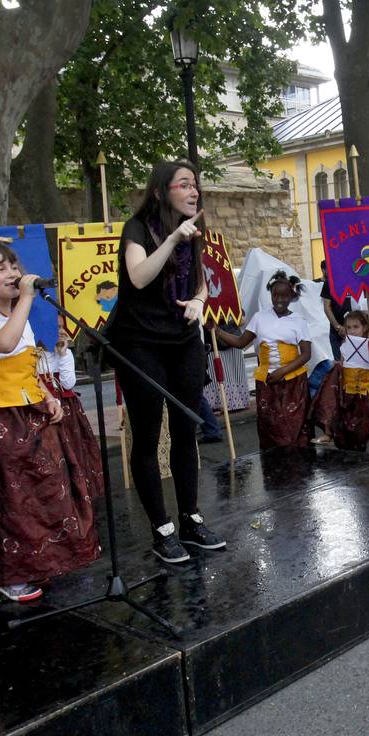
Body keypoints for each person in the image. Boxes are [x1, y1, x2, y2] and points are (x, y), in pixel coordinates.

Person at [0, 239, 98, 601]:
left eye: (13, 266)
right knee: (9, 493)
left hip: (30, 409)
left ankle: (40, 560)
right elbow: (4, 345)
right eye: (0, 268)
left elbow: (28, 365)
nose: (12, 273)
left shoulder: (16, 314)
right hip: (0, 415)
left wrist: (48, 396)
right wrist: (26, 299)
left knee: (41, 488)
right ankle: (9, 572)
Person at [106, 160, 226, 562]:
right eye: (184, 185)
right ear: (160, 191)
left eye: (196, 185)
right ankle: (162, 529)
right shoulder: (137, 228)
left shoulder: (193, 232)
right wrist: (174, 237)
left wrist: (197, 300)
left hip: (182, 341)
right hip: (139, 342)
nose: (194, 192)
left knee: (186, 427)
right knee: (147, 433)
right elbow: (138, 276)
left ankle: (191, 519)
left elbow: (203, 281)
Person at [216, 271, 312, 451]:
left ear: (291, 296)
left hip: (293, 382)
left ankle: (296, 466)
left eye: (284, 295)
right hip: (267, 382)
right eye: (276, 295)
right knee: (270, 425)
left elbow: (306, 354)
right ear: (270, 294)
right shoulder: (259, 318)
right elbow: (240, 342)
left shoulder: (299, 321)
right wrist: (217, 331)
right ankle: (274, 468)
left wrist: (282, 372)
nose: (279, 299)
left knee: (292, 425)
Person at [40, 337, 104, 499]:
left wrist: (62, 355)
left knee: (73, 450)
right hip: (43, 407)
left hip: (67, 408)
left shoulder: (65, 353)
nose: (59, 332)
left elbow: (68, 384)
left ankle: (77, 493)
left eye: (61, 327)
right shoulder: (31, 355)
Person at [310, 310, 369, 452]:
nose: (352, 331)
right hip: (347, 390)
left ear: (364, 327)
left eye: (356, 327)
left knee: (362, 423)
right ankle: (334, 436)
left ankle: (360, 447)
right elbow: (342, 361)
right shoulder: (345, 344)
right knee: (345, 419)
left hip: (363, 392)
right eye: (349, 327)